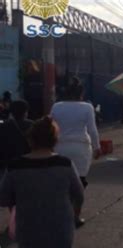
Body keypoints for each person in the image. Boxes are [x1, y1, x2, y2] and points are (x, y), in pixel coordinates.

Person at [0, 116, 84, 248]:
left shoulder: (14, 166)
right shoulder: (65, 164)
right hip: (61, 226)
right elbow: (79, 195)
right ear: (55, 140)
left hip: (27, 227)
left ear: (30, 139)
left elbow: (3, 199)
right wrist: (75, 214)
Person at [51, 77, 100, 227]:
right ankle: (75, 217)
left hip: (60, 148)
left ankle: (61, 213)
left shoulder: (57, 106)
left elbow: (50, 126)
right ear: (81, 93)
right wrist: (97, 147)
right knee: (79, 183)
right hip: (81, 149)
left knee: (62, 183)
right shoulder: (87, 107)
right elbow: (92, 129)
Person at [0, 101, 34, 172]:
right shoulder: (33, 125)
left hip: (8, 164)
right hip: (28, 163)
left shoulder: (3, 126)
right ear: (26, 112)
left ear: (11, 112)